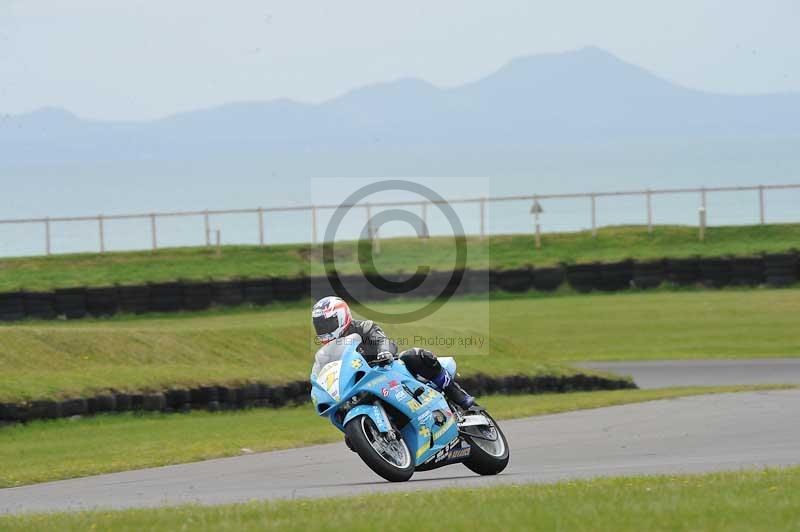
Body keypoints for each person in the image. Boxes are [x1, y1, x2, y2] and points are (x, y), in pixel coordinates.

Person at [311, 296, 476, 409]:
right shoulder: (328, 352)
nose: (324, 330)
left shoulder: (364, 327)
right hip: (361, 385)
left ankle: (457, 394)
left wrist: (384, 352)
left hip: (387, 370)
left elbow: (382, 341)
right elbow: (328, 371)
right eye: (320, 326)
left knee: (415, 356)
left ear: (341, 316)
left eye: (327, 324)